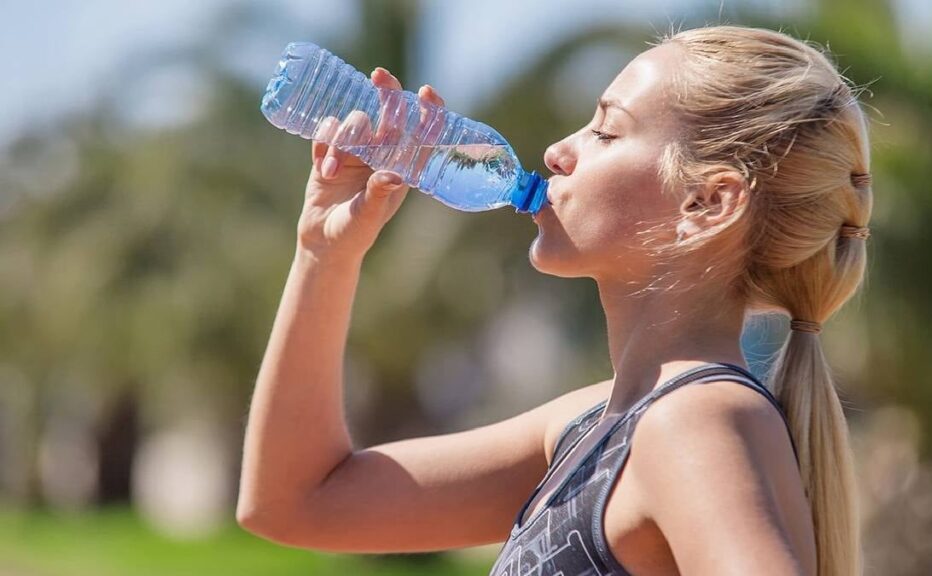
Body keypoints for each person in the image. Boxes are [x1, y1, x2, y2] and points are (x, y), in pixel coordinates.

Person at [236, 24, 872, 576]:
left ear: (706, 203)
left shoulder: (695, 421)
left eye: (605, 130)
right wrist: (324, 252)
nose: (556, 152)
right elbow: (295, 502)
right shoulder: (594, 427)